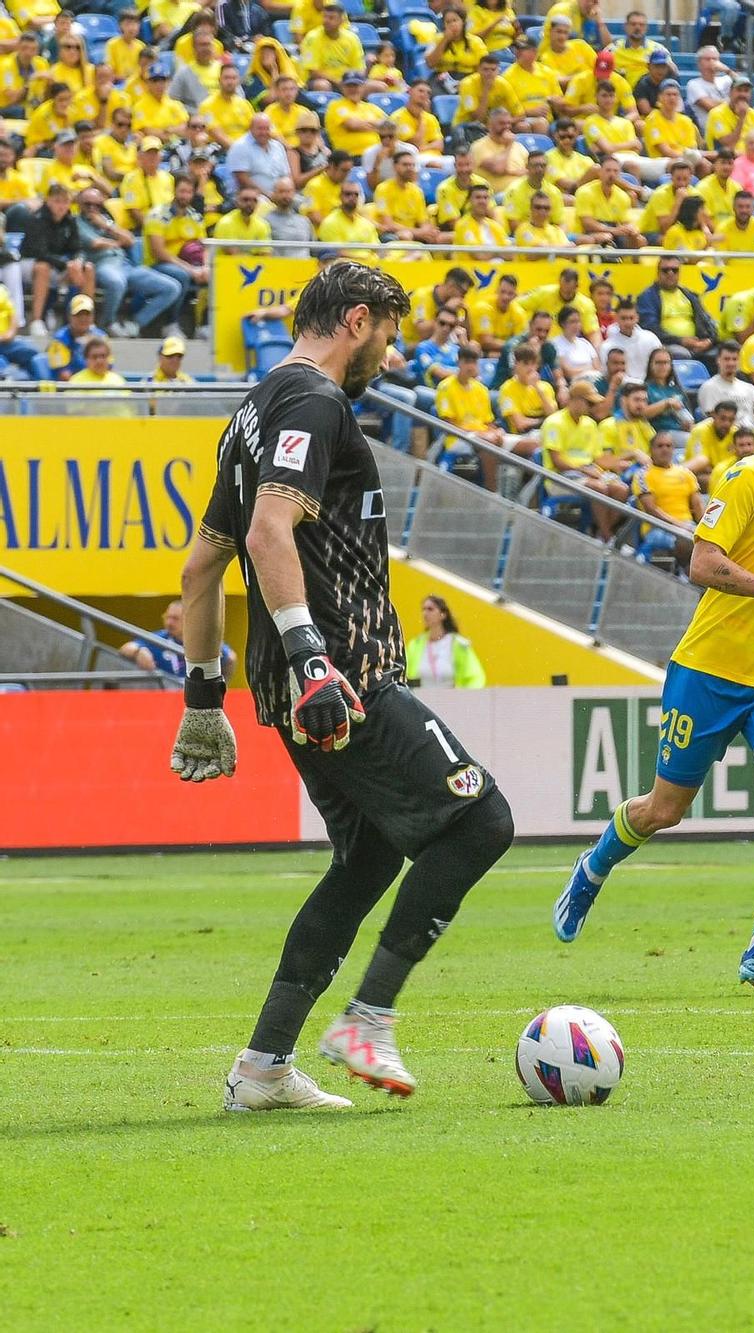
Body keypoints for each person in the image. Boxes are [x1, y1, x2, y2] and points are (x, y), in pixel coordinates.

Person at [170, 261, 514, 1112]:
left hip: (299, 684)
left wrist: (204, 697)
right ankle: (369, 1018)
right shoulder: (317, 403)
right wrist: (314, 658)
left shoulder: (250, 411)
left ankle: (261, 1068)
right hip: (344, 674)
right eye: (389, 335)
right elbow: (267, 528)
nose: (389, 357)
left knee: (367, 860)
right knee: (482, 820)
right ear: (356, 320)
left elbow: (201, 564)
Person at [554, 364, 754, 985]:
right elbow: (702, 562)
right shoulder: (748, 478)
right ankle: (593, 868)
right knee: (663, 810)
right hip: (709, 670)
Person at [403, 594, 487, 689]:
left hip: (452, 701)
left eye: (430, 609)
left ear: (443, 614)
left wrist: (465, 698)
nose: (425, 613)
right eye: (423, 609)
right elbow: (403, 674)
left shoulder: (459, 644)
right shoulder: (415, 644)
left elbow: (475, 677)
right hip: (420, 699)